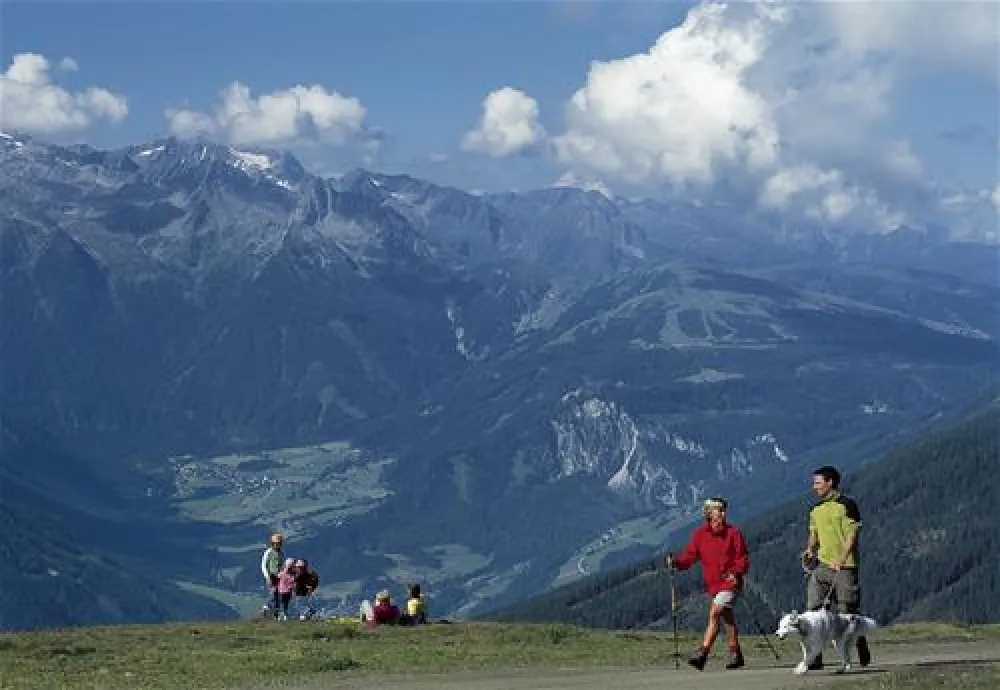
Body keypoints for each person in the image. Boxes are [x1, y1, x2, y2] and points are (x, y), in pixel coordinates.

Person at [666, 496, 749, 671]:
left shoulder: (734, 533)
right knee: (726, 617)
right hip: (714, 585)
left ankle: (702, 653)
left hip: (730, 583)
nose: (723, 513)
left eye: (724, 510)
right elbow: (689, 557)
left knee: (715, 612)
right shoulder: (700, 535)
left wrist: (736, 572)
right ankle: (735, 653)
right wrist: (676, 563)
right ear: (709, 513)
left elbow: (742, 558)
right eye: (719, 509)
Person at [801, 465, 871, 669]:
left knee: (847, 611)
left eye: (818, 483)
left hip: (845, 567)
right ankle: (816, 657)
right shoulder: (815, 510)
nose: (814, 487)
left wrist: (842, 558)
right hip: (822, 567)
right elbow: (814, 536)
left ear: (830, 482)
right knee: (813, 611)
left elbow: (852, 536)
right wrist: (809, 550)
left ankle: (860, 642)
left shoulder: (848, 506)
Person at [260, 533, 284, 618]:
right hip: (271, 576)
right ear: (272, 543)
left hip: (279, 577)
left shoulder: (281, 553)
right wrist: (267, 576)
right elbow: (263, 565)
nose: (277, 545)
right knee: (273, 594)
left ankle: (276, 615)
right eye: (275, 543)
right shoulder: (268, 552)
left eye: (279, 543)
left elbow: (282, 565)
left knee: (278, 596)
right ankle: (266, 607)